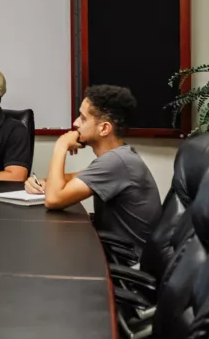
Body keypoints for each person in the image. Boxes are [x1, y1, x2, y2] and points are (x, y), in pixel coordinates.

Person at [26, 84, 161, 253]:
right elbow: (71, 179)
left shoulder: (116, 162)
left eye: (82, 118)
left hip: (126, 262)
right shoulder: (118, 158)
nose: (75, 123)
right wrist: (40, 182)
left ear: (104, 128)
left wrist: (60, 146)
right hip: (111, 250)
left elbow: (54, 200)